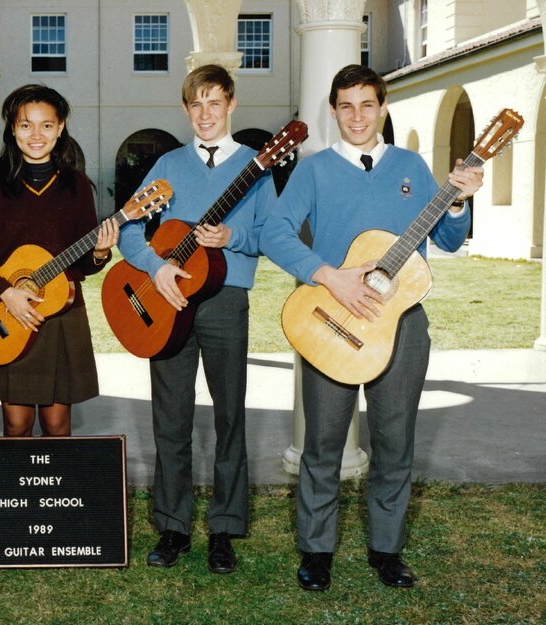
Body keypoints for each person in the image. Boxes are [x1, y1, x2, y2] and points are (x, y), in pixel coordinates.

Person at [259, 64, 484, 591]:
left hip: (401, 325)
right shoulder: (314, 170)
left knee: (394, 442)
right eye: (346, 106)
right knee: (322, 444)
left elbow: (449, 240)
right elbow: (274, 231)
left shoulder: (411, 166)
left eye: (367, 105)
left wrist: (458, 201)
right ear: (333, 111)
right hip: (331, 322)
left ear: (382, 107)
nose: (357, 117)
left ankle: (386, 549)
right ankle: (317, 551)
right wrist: (329, 276)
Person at [116, 65, 275, 573]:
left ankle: (224, 527)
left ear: (231, 105)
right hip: (168, 300)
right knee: (170, 417)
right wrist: (156, 267)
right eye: (196, 104)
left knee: (229, 416)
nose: (206, 114)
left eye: (215, 103)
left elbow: (271, 234)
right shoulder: (167, 164)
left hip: (226, 299)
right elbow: (129, 231)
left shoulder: (256, 166)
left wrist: (234, 238)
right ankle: (173, 526)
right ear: (186, 110)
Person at [0, 84, 118, 437]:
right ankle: (15, 479)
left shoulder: (77, 186)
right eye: (26, 125)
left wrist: (100, 254)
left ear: (60, 127)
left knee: (57, 424)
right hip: (7, 310)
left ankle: (58, 479)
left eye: (46, 125)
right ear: (13, 129)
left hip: (61, 314)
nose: (36, 135)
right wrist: (4, 291)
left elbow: (83, 264)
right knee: (17, 423)